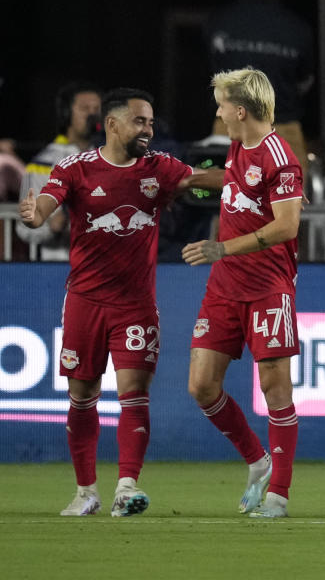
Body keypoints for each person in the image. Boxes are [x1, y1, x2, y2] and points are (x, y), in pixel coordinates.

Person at [18, 88, 195, 517]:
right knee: (83, 396)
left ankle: (127, 487)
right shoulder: (76, 168)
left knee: (134, 393)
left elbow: (199, 179)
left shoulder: (160, 169)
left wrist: (257, 178)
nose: (148, 130)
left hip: (135, 304)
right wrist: (37, 213)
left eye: (151, 122)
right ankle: (85, 492)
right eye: (140, 121)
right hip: (85, 300)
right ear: (113, 125)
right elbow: (47, 200)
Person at [184, 68, 303, 519]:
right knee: (201, 385)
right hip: (225, 289)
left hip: (269, 289)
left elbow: (287, 225)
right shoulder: (238, 147)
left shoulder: (281, 158)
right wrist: (185, 179)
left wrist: (223, 248)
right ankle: (257, 460)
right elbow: (233, 181)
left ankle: (279, 494)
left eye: (220, 105)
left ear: (240, 109)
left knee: (275, 387)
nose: (217, 113)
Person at [206, 0, 314, 173]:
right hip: (283, 134)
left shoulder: (219, 22)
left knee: (225, 207)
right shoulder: (297, 29)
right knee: (287, 208)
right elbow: (303, 84)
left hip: (228, 131)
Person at [16, 83, 101, 260]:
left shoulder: (110, 160)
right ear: (66, 114)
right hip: (57, 267)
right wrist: (52, 228)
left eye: (97, 109)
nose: (93, 114)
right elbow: (24, 228)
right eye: (85, 108)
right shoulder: (43, 163)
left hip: (102, 268)